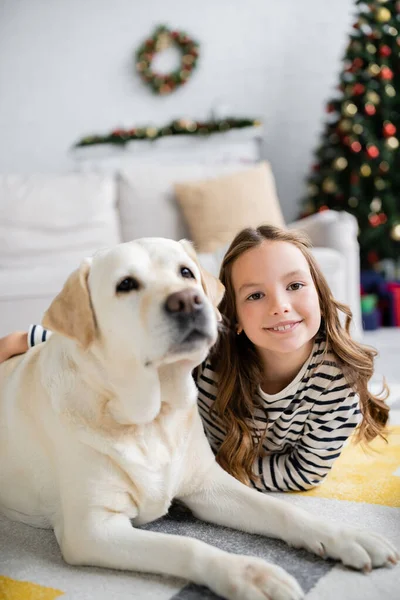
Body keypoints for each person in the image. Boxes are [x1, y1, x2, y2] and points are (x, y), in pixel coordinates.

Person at [0, 225, 389, 493]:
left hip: (214, 468)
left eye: (295, 286)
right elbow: (111, 336)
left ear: (320, 294)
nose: (280, 306)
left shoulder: (338, 384)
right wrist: (27, 338)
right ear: (231, 317)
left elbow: (306, 472)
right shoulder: (209, 351)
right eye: (255, 295)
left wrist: (206, 475)